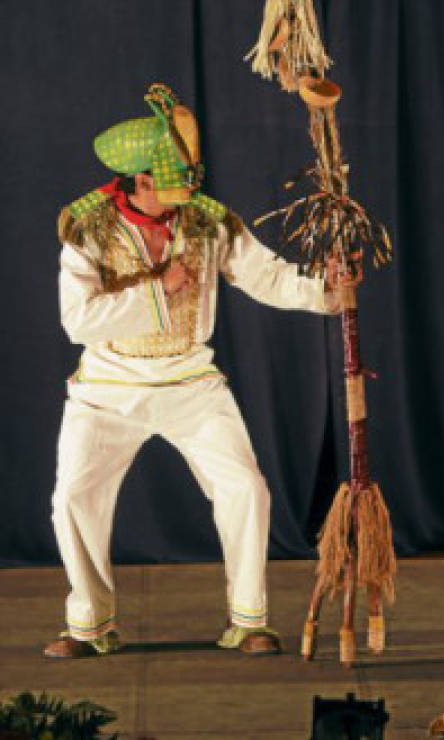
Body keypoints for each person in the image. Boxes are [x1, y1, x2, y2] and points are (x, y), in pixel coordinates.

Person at [46, 84, 350, 658]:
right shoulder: (86, 231)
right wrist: (158, 292)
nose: (185, 196)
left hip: (191, 381)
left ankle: (249, 618)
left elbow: (267, 277)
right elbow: (78, 321)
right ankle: (87, 624)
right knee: (73, 497)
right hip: (108, 386)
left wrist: (329, 291)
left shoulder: (210, 222)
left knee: (246, 489)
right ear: (138, 181)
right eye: (171, 185)